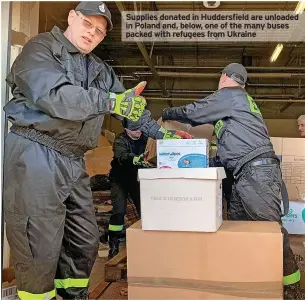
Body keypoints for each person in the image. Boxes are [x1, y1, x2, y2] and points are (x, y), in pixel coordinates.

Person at [3, 2, 147, 300]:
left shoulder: (98, 68)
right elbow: (55, 96)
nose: (92, 34)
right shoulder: (40, 49)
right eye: (88, 25)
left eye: (99, 32)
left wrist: (164, 132)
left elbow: (127, 105)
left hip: (72, 158)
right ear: (72, 17)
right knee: (39, 246)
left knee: (83, 242)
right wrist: (108, 102)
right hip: (36, 150)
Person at [161, 63, 302, 299]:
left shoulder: (230, 95)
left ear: (224, 78)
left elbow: (194, 112)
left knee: (271, 232)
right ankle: (245, 278)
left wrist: (167, 113)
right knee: (237, 227)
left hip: (256, 173)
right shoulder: (241, 103)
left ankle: (291, 288)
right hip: (244, 174)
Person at [108, 110, 192, 259]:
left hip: (136, 178)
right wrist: (136, 159)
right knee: (118, 212)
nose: (138, 133)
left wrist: (176, 136)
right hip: (120, 180)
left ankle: (144, 242)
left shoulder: (144, 137)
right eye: (134, 130)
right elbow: (122, 156)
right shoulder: (120, 140)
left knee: (144, 211)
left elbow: (159, 135)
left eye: (140, 129)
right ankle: (114, 244)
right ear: (126, 129)